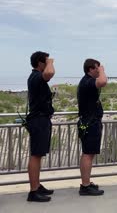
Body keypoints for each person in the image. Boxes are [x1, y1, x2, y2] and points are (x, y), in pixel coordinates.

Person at [26, 51, 55, 202]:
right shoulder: (37, 76)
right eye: (46, 61)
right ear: (40, 63)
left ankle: (37, 186)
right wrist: (50, 62)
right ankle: (33, 191)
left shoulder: (35, 77)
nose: (49, 64)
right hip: (38, 120)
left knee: (38, 154)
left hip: (41, 120)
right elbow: (50, 73)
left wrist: (48, 62)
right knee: (36, 155)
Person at [77, 58, 107, 196]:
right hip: (90, 123)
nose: (98, 70)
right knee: (88, 154)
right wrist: (102, 71)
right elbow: (103, 82)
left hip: (90, 122)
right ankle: (85, 185)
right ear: (90, 69)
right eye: (96, 68)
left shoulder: (87, 82)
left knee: (88, 153)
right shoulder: (87, 82)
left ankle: (86, 183)